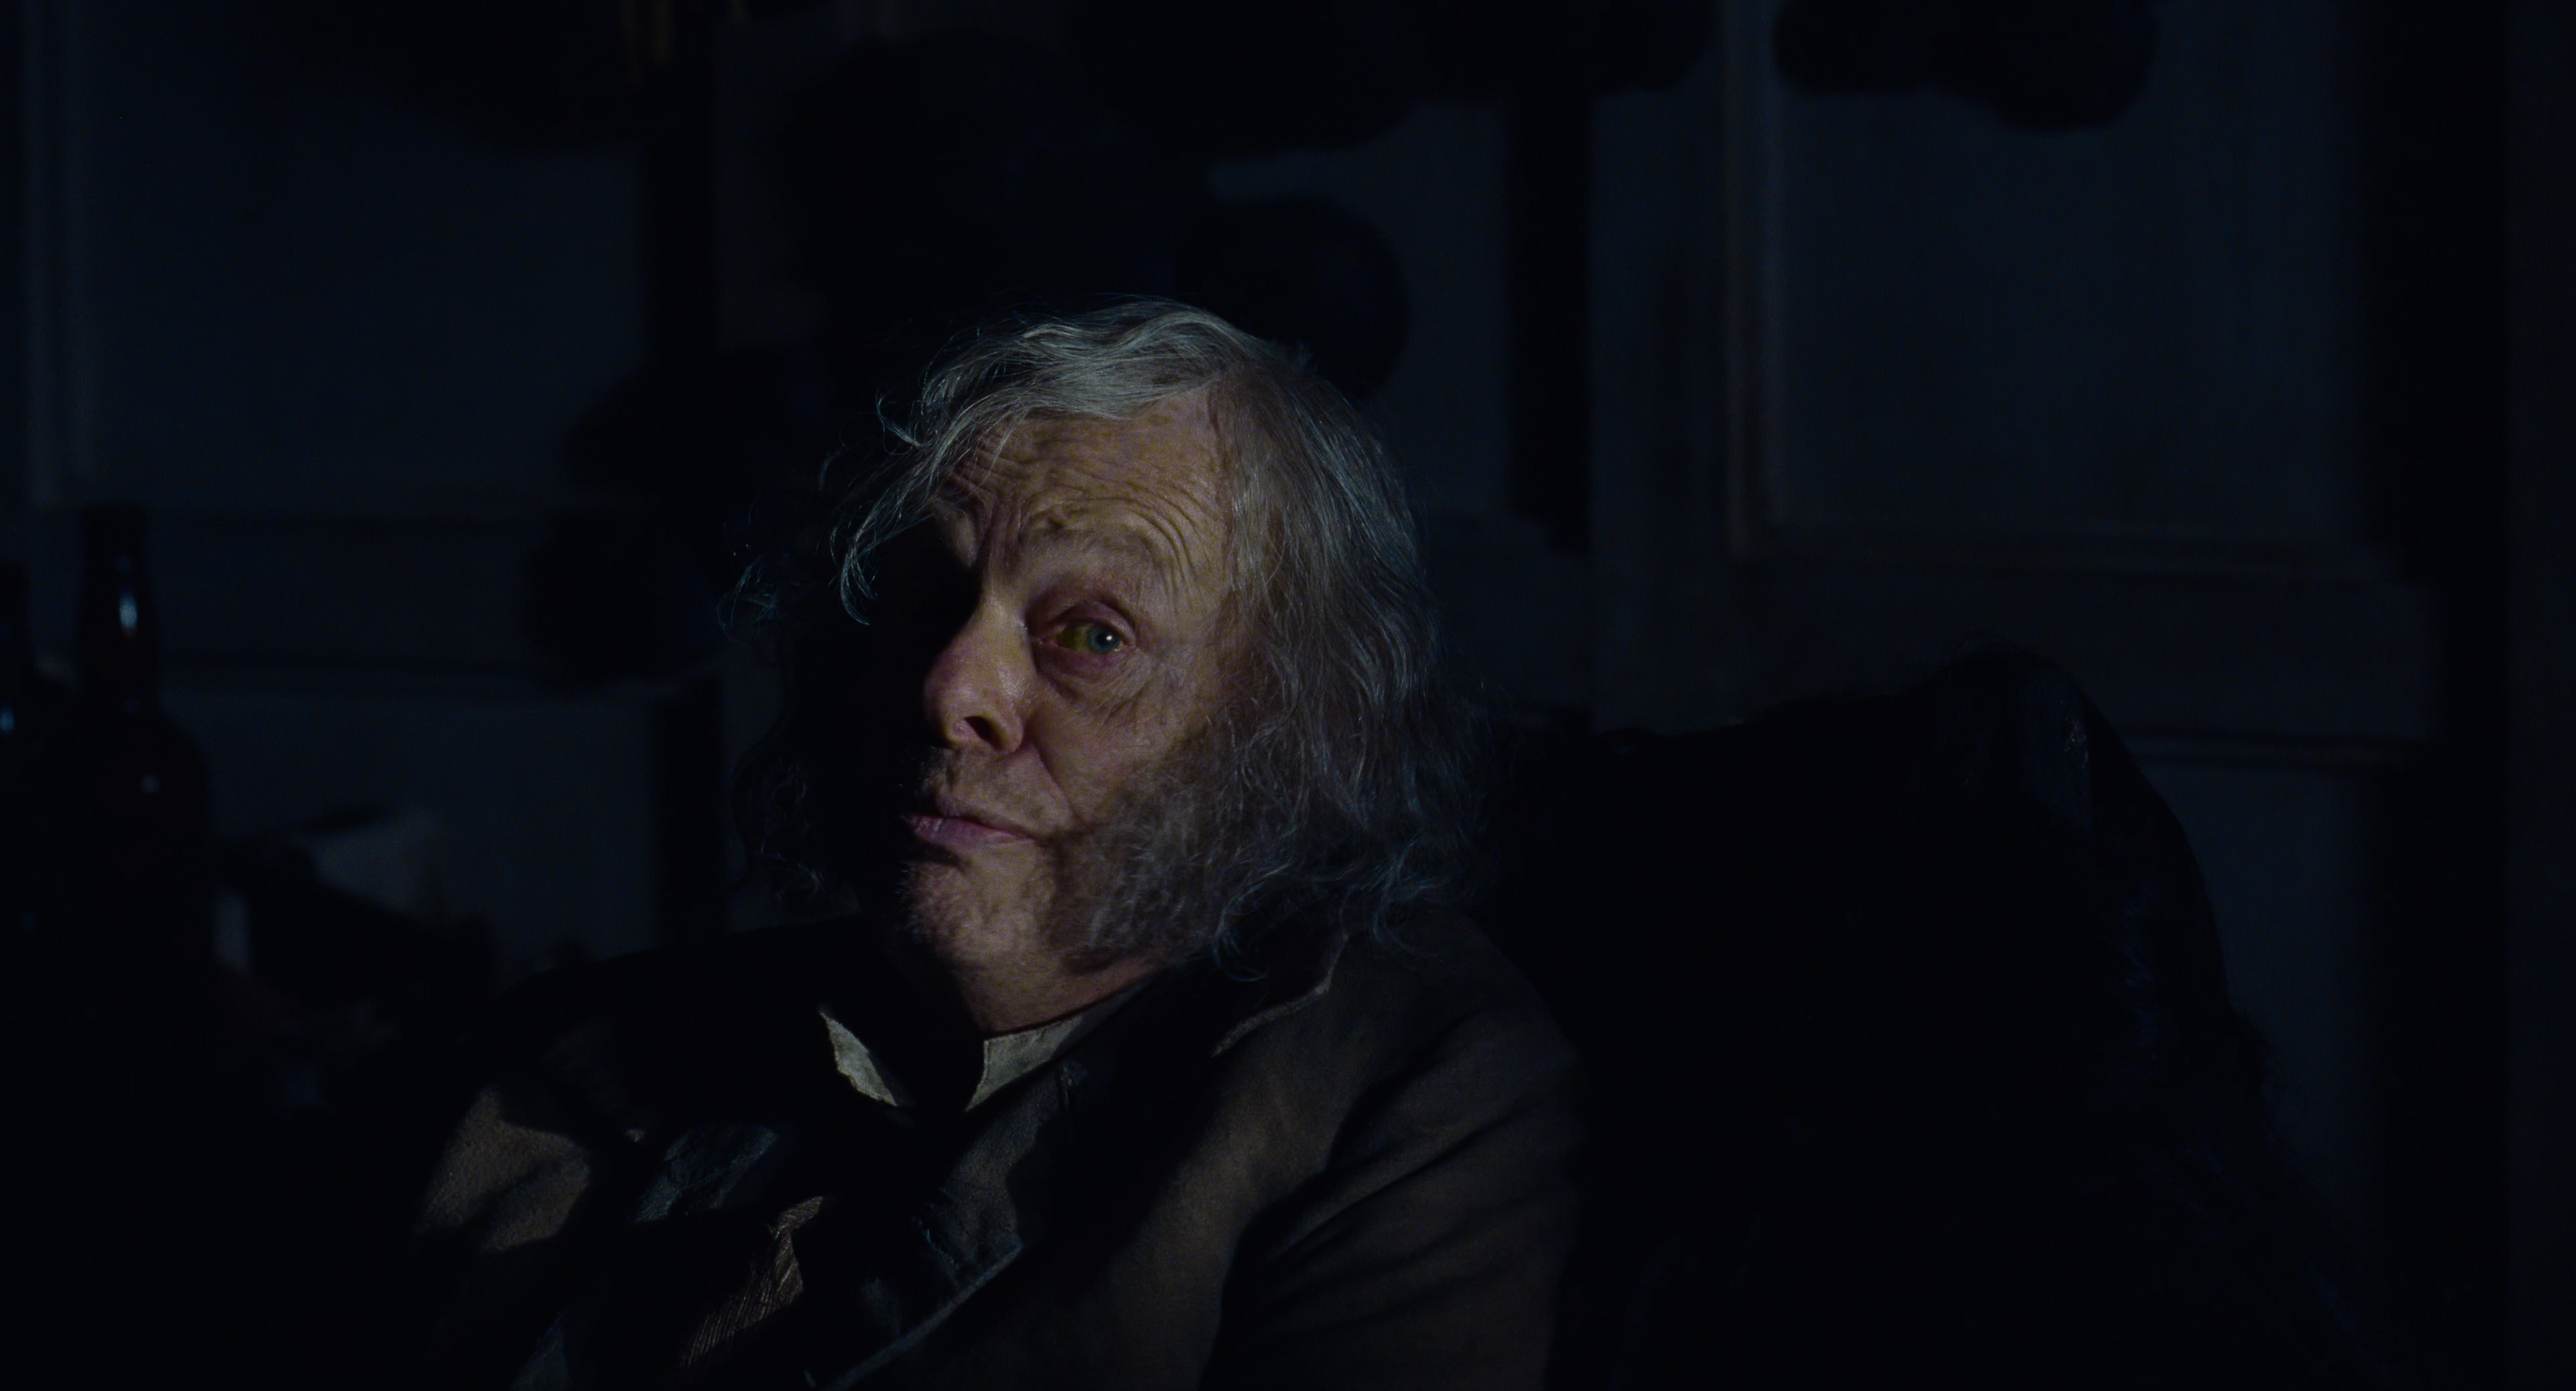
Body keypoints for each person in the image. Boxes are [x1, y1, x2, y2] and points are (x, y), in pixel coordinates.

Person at [392, 301, 1580, 1390]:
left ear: (1293, 723)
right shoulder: (563, 1059)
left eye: (1093, 635)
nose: (952, 685)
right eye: (922, 595)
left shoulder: (1407, 1086)